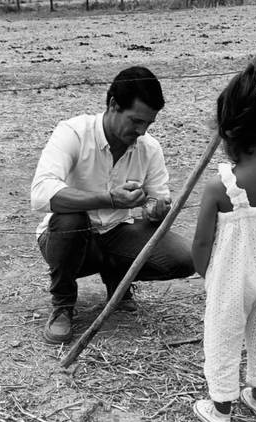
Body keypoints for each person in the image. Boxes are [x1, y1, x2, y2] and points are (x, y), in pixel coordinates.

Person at [31, 66, 194, 345]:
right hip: (66, 239)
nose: (141, 131)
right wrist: (109, 199)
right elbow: (41, 194)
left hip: (118, 232)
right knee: (70, 219)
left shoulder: (149, 148)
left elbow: (157, 199)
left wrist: (157, 211)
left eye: (148, 123)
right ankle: (63, 304)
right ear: (113, 105)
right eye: (136, 121)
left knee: (184, 259)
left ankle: (118, 280)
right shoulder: (73, 132)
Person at [191, 64, 256, 422]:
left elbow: (202, 241)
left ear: (226, 132)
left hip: (231, 279)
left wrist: (206, 271)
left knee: (223, 338)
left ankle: (220, 410)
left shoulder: (221, 186)